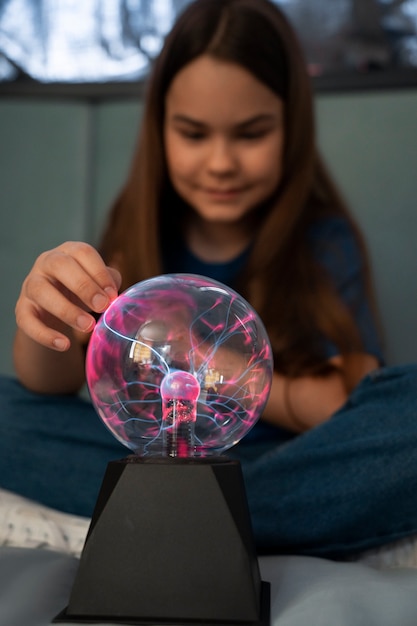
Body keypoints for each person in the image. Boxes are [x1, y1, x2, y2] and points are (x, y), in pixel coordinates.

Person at [3, 0, 417, 559]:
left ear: (290, 129)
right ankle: (231, 518)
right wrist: (47, 317)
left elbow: (342, 404)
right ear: (161, 129)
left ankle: (187, 514)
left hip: (292, 463)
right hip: (149, 460)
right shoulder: (137, 232)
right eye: (194, 134)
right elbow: (47, 387)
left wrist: (199, 356)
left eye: (251, 133)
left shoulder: (323, 239)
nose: (221, 162)